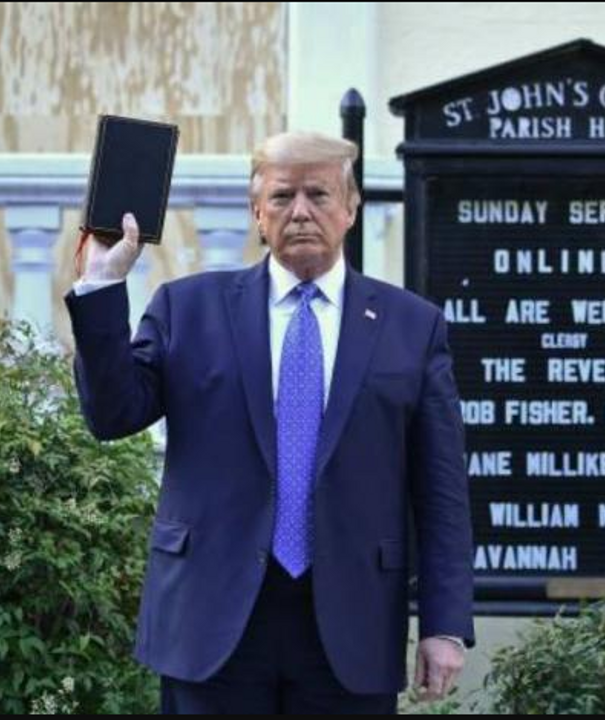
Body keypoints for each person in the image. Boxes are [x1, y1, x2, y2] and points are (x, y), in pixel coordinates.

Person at [65, 131, 473, 713]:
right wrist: (103, 285)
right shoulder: (188, 309)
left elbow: (442, 490)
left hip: (352, 622)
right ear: (258, 212)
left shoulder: (412, 326)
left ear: (351, 208)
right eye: (282, 197)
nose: (300, 211)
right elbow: (112, 415)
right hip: (211, 619)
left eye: (319, 195)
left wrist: (445, 623)